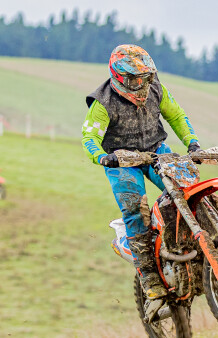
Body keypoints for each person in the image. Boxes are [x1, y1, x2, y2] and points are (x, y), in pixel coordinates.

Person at [81, 44, 202, 299]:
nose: (140, 84)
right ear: (118, 77)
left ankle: (193, 240)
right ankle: (148, 276)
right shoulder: (103, 102)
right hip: (121, 159)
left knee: (188, 188)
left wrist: (192, 142)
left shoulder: (157, 89)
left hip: (156, 149)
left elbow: (176, 116)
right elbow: (90, 137)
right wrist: (103, 157)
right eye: (133, 79)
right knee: (135, 207)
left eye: (145, 77)